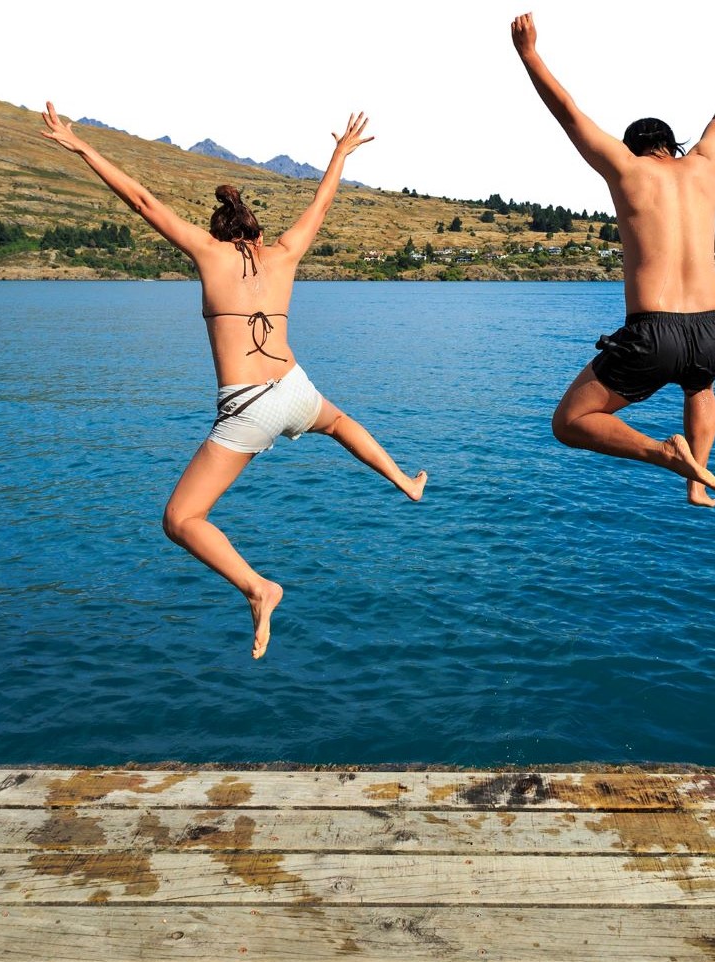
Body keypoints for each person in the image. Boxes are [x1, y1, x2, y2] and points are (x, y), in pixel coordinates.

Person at [40, 104, 427, 658]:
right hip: (294, 387)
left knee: (181, 518)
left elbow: (142, 200)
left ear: (217, 234)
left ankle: (258, 587)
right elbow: (321, 206)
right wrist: (339, 153)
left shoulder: (207, 252)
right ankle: (405, 481)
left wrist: (81, 147)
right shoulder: (285, 253)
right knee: (338, 422)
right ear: (259, 231)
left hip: (248, 406)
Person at [510, 13, 715, 507]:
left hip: (654, 331)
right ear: (672, 147)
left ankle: (667, 456)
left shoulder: (626, 169)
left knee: (570, 422)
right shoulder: (705, 163)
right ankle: (698, 477)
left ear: (633, 148)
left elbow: (569, 113)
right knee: (701, 385)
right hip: (711, 331)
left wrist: (530, 55)